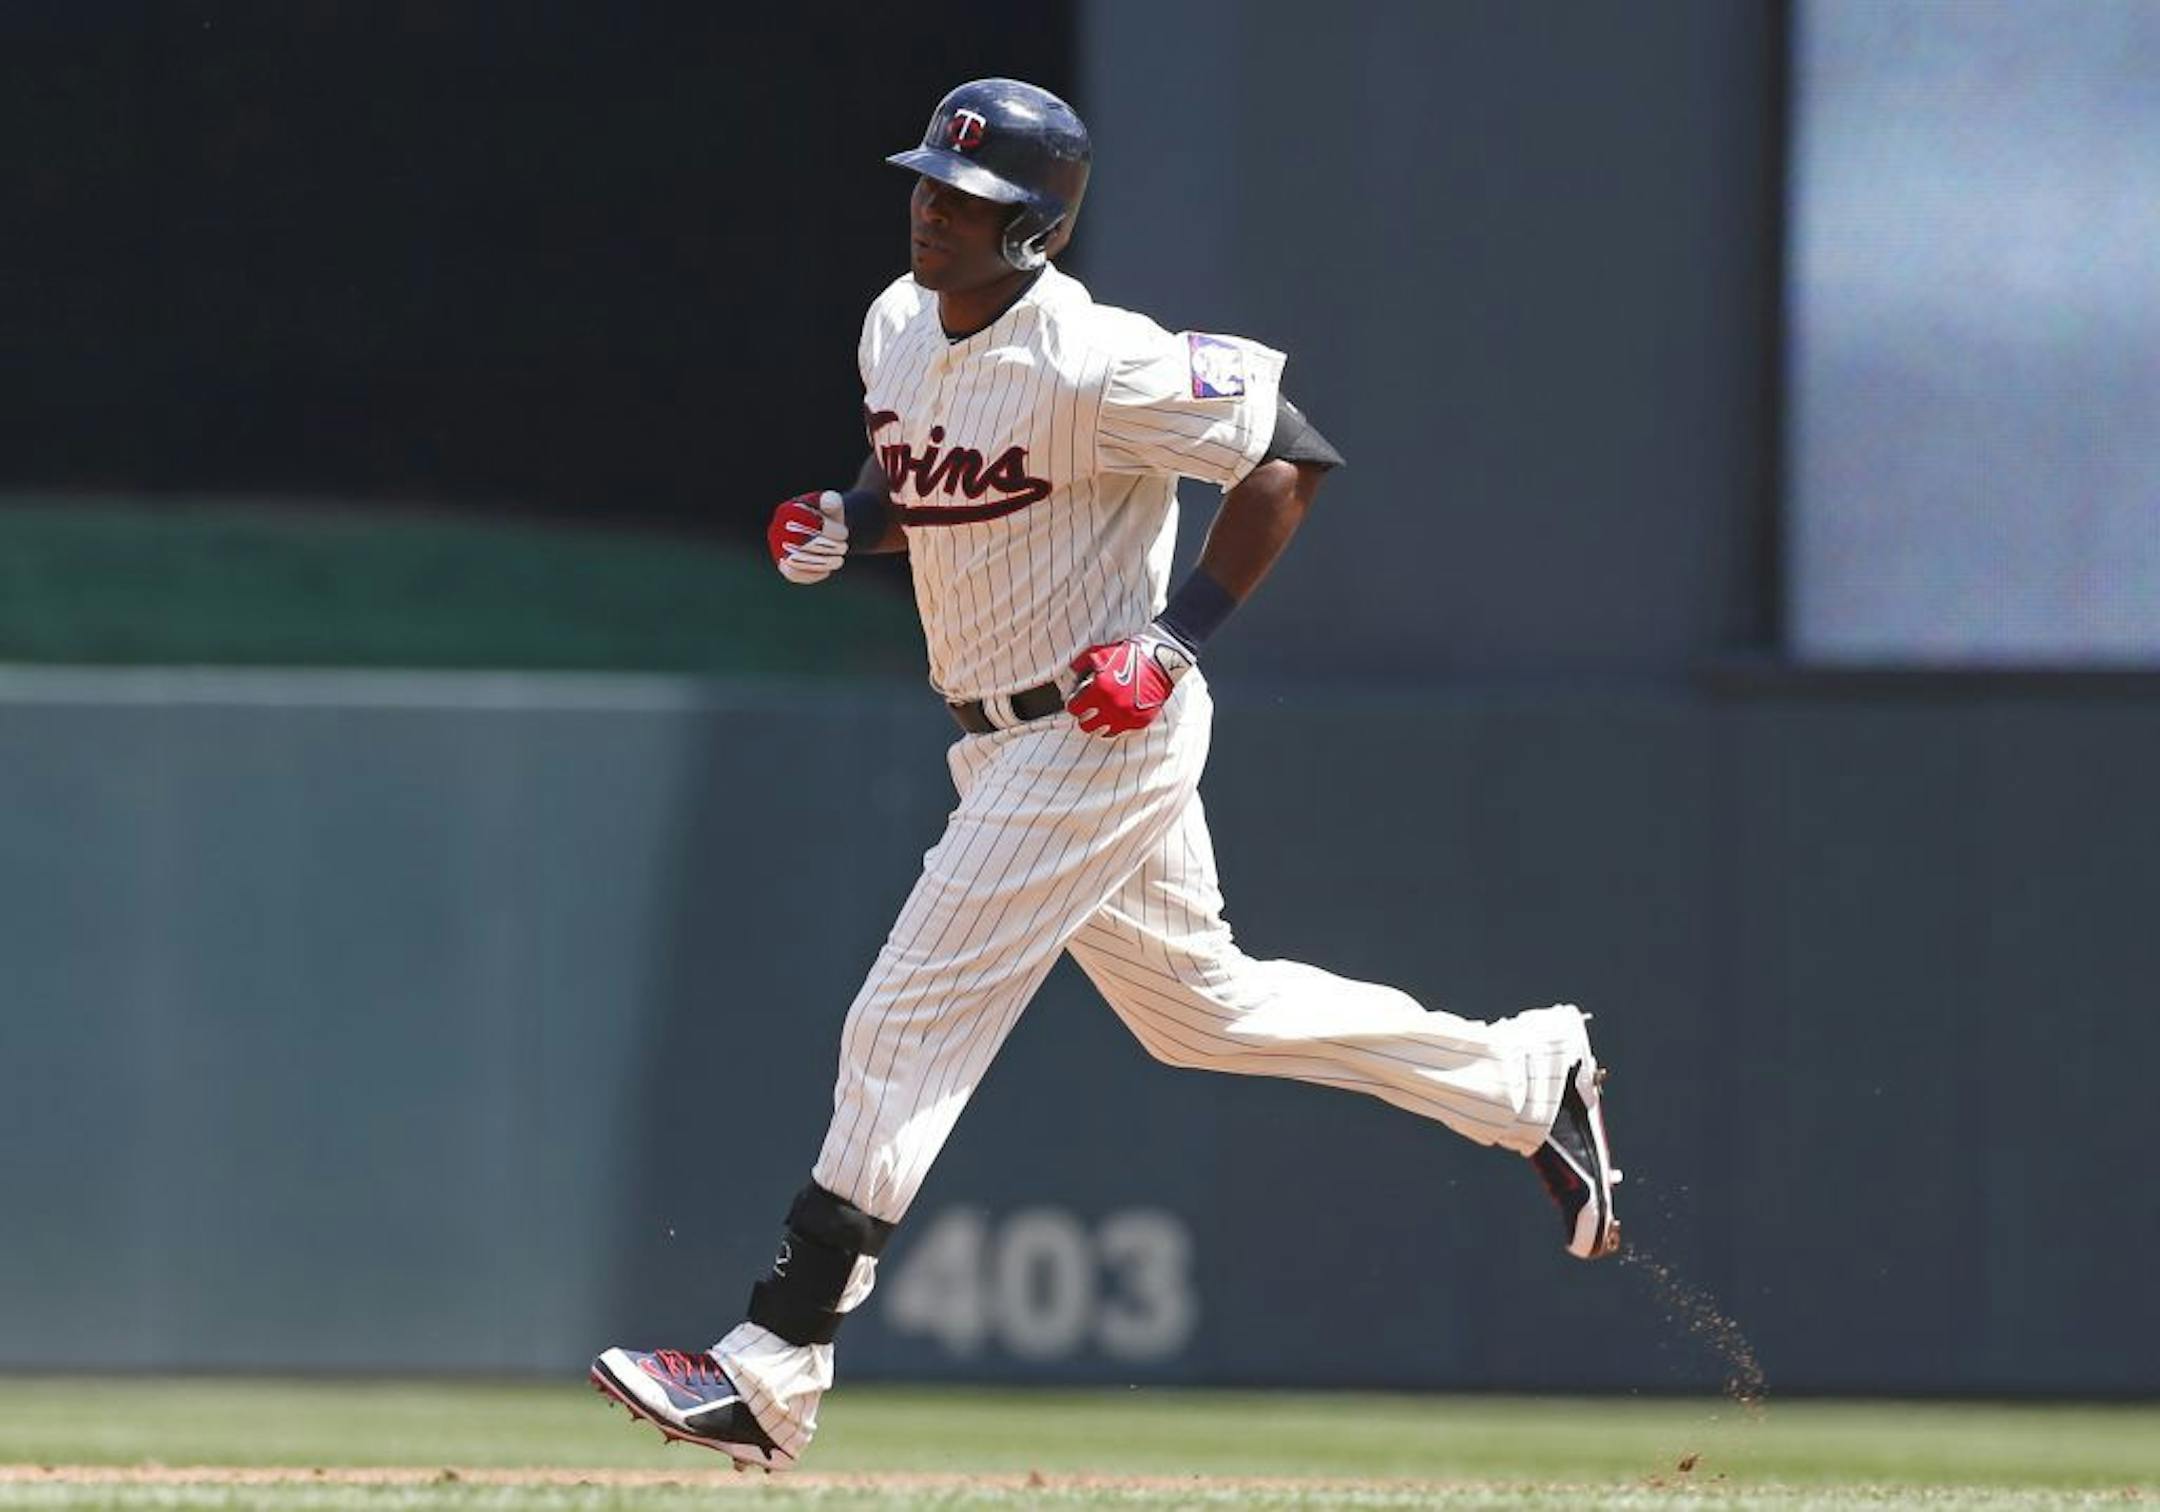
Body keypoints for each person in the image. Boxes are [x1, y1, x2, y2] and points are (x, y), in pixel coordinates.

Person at [590, 78, 1621, 1471]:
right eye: (928, 185)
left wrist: (1178, 639)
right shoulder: (896, 325)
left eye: (972, 201)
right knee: (1204, 1012)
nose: (933, 212)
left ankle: (776, 1361)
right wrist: (849, 518)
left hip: (1097, 727)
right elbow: (931, 471)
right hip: (997, 735)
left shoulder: (1098, 358)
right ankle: (1517, 1077)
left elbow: (1290, 457)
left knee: (908, 1016)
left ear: (1040, 228)